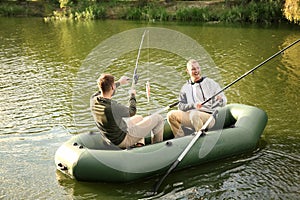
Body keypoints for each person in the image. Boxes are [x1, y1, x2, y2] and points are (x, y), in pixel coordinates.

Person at [90, 73, 164, 148]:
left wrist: (120, 82)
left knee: (139, 118)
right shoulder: (113, 107)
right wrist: (132, 96)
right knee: (158, 119)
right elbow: (132, 111)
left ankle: (139, 145)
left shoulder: (93, 99)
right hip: (122, 140)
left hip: (110, 137)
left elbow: (106, 89)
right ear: (112, 87)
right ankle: (157, 148)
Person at [167, 59, 227, 138]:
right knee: (171, 115)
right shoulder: (185, 88)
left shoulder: (210, 83)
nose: (196, 71)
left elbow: (224, 101)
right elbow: (181, 106)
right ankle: (180, 139)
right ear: (187, 71)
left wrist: (220, 100)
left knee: (194, 114)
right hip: (191, 116)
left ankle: (200, 136)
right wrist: (193, 105)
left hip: (209, 118)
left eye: (198, 68)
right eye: (193, 69)